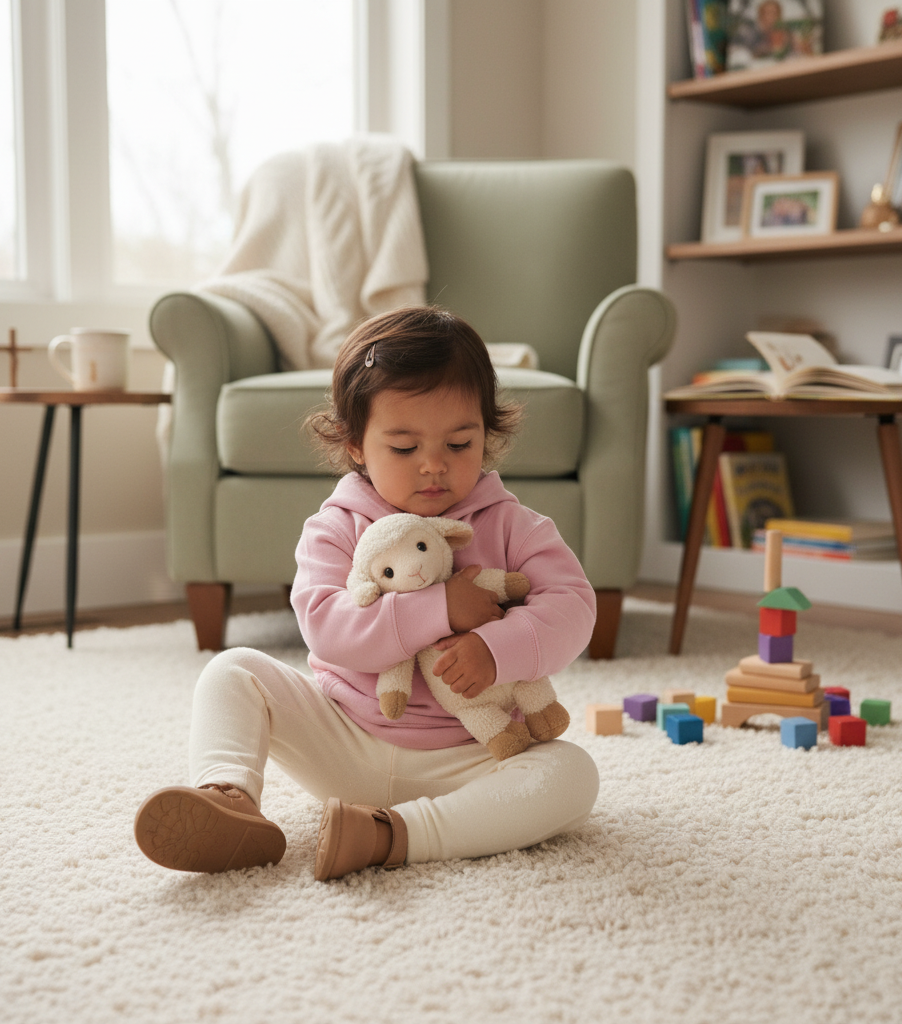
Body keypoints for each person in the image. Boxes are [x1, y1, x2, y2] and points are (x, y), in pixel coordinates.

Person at [133, 306, 600, 881]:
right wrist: (439, 607)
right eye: (404, 449)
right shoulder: (336, 527)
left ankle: (390, 837)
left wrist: (498, 648)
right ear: (355, 443)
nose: (434, 466)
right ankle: (229, 798)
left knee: (572, 775)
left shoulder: (512, 525)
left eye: (460, 442)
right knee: (231, 671)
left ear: (488, 431)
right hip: (346, 737)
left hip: (471, 752)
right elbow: (328, 627)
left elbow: (574, 605)